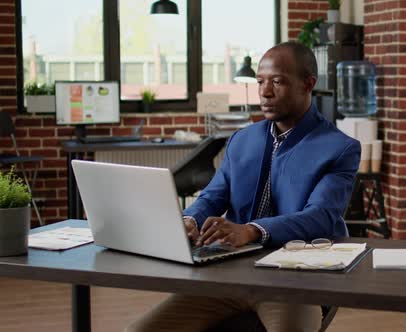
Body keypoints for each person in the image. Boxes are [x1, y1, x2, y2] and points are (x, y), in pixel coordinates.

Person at [126, 41, 361, 332]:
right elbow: (213, 196)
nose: (265, 91)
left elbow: (321, 216)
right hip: (231, 274)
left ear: (308, 84)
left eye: (277, 82)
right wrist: (189, 220)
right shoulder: (242, 140)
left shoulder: (339, 148)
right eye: (261, 82)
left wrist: (250, 230)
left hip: (296, 279)